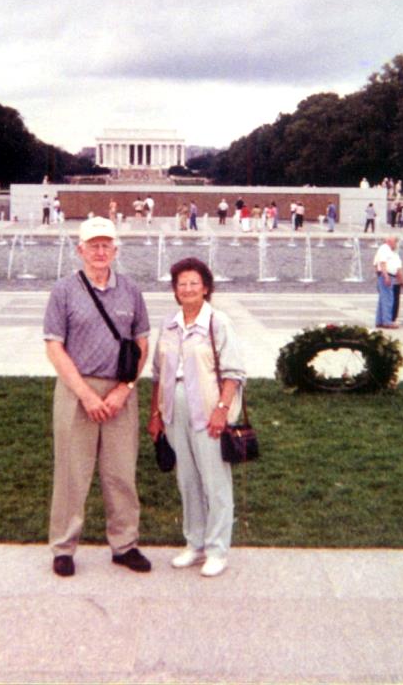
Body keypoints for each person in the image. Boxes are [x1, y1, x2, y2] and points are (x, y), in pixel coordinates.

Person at [43, 216, 152, 578]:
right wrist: (86, 395)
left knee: (120, 472)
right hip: (77, 391)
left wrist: (125, 389)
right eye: (93, 245)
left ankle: (125, 544)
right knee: (72, 473)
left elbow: (142, 344)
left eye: (106, 245)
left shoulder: (131, 290)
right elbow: (54, 347)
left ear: (116, 250)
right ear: (80, 250)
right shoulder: (64, 290)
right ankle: (63, 547)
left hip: (120, 392)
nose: (100, 251)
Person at [147, 257, 245, 578]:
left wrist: (221, 410)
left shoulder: (218, 323)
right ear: (175, 290)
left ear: (205, 288)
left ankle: (217, 550)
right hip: (174, 409)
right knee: (187, 480)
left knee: (215, 482)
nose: (188, 289)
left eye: (194, 283)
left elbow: (233, 373)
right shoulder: (169, 324)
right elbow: (158, 373)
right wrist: (155, 414)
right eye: (182, 283)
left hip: (208, 409)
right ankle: (195, 543)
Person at [373, 236, 402, 329]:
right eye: (395, 242)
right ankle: (387, 321)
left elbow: (375, 264)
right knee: (388, 299)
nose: (396, 244)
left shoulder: (386, 249)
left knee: (383, 299)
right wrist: (386, 276)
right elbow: (382, 263)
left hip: (384, 275)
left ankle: (379, 321)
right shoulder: (385, 248)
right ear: (390, 241)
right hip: (386, 275)